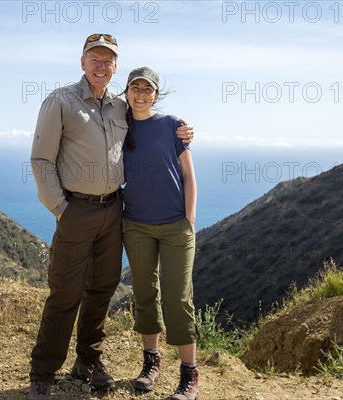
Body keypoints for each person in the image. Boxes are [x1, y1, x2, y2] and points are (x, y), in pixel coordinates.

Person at [28, 35, 194, 400]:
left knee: (101, 290)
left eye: (108, 61)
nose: (101, 66)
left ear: (115, 67)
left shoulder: (120, 107)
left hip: (113, 212)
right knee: (65, 294)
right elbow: (41, 160)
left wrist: (181, 131)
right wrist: (61, 209)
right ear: (82, 61)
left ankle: (88, 361)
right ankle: (43, 371)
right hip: (76, 210)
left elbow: (150, 125)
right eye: (95, 59)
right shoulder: (60, 101)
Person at [121, 67, 199, 400]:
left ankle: (189, 374)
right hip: (135, 224)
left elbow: (188, 176)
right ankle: (151, 361)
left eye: (147, 89)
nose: (140, 94)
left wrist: (189, 219)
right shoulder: (118, 125)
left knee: (178, 298)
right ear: (126, 92)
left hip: (175, 227)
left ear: (156, 94)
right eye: (134, 88)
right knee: (143, 292)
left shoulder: (172, 126)